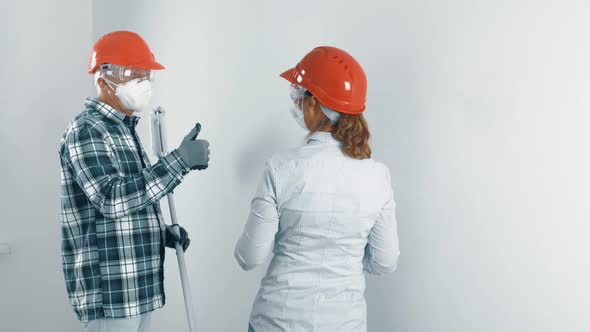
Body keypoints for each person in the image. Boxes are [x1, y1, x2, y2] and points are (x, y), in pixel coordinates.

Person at [234, 46, 400, 332]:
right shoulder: (377, 176)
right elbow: (385, 262)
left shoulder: (280, 167)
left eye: (298, 95)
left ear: (314, 104)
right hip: (345, 324)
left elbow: (250, 257)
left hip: (277, 321)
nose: (296, 102)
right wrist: (344, 254)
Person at [59, 30, 210, 331]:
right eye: (132, 75)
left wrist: (161, 231)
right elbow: (110, 198)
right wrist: (179, 160)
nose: (143, 83)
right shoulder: (87, 130)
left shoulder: (123, 129)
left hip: (136, 287)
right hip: (111, 293)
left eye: (146, 76)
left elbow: (131, 199)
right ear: (103, 78)